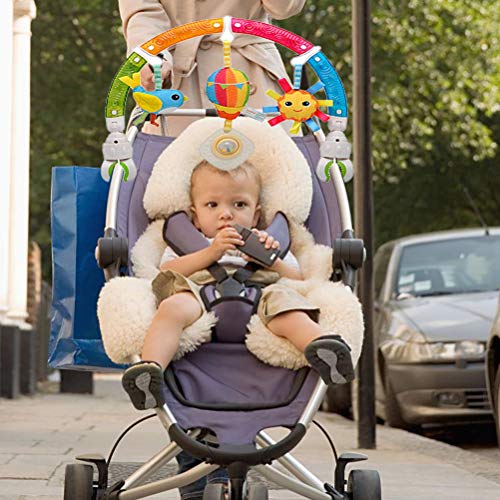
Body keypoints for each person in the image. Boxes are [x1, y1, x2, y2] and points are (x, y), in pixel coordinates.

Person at [122, 159, 355, 409]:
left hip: (261, 297)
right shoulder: (188, 241)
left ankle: (322, 347)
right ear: (196, 217)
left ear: (255, 214)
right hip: (200, 295)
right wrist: (210, 253)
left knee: (290, 309)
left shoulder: (266, 241)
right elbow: (164, 272)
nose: (226, 213)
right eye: (212, 204)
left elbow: (297, 279)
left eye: (239, 204)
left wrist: (270, 260)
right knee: (172, 307)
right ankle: (150, 370)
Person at [118, 0, 307, 136]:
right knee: (172, 178)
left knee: (275, 173)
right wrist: (152, 55)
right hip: (179, 79)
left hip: (250, 69)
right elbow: (142, 13)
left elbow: (284, 8)